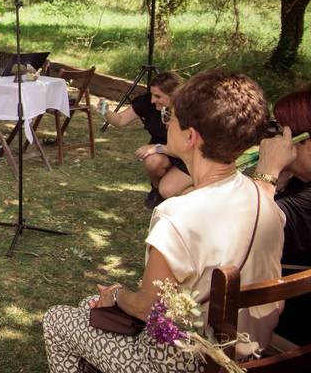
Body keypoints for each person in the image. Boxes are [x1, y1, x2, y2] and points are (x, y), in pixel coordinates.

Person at [44, 70, 285, 372]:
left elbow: (149, 309)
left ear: (191, 136)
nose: (165, 122)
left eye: (170, 116)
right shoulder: (265, 197)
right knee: (90, 308)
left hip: (183, 360)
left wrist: (116, 294)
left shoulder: (178, 215)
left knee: (57, 318)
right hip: (245, 353)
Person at [254, 85, 311, 345]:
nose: (275, 139)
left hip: (287, 336)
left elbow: (246, 226)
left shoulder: (306, 204)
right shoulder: (300, 183)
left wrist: (267, 172)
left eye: (281, 130)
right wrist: (281, 181)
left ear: (305, 142)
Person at [99, 71, 192, 207]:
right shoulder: (149, 102)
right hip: (165, 152)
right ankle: (157, 191)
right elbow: (120, 120)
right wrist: (105, 111)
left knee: (168, 190)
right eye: (152, 94)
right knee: (152, 162)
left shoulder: (188, 110)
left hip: (187, 157)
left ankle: (203, 194)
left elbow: (184, 148)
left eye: (158, 96)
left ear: (174, 96)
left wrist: (155, 147)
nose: (153, 100)